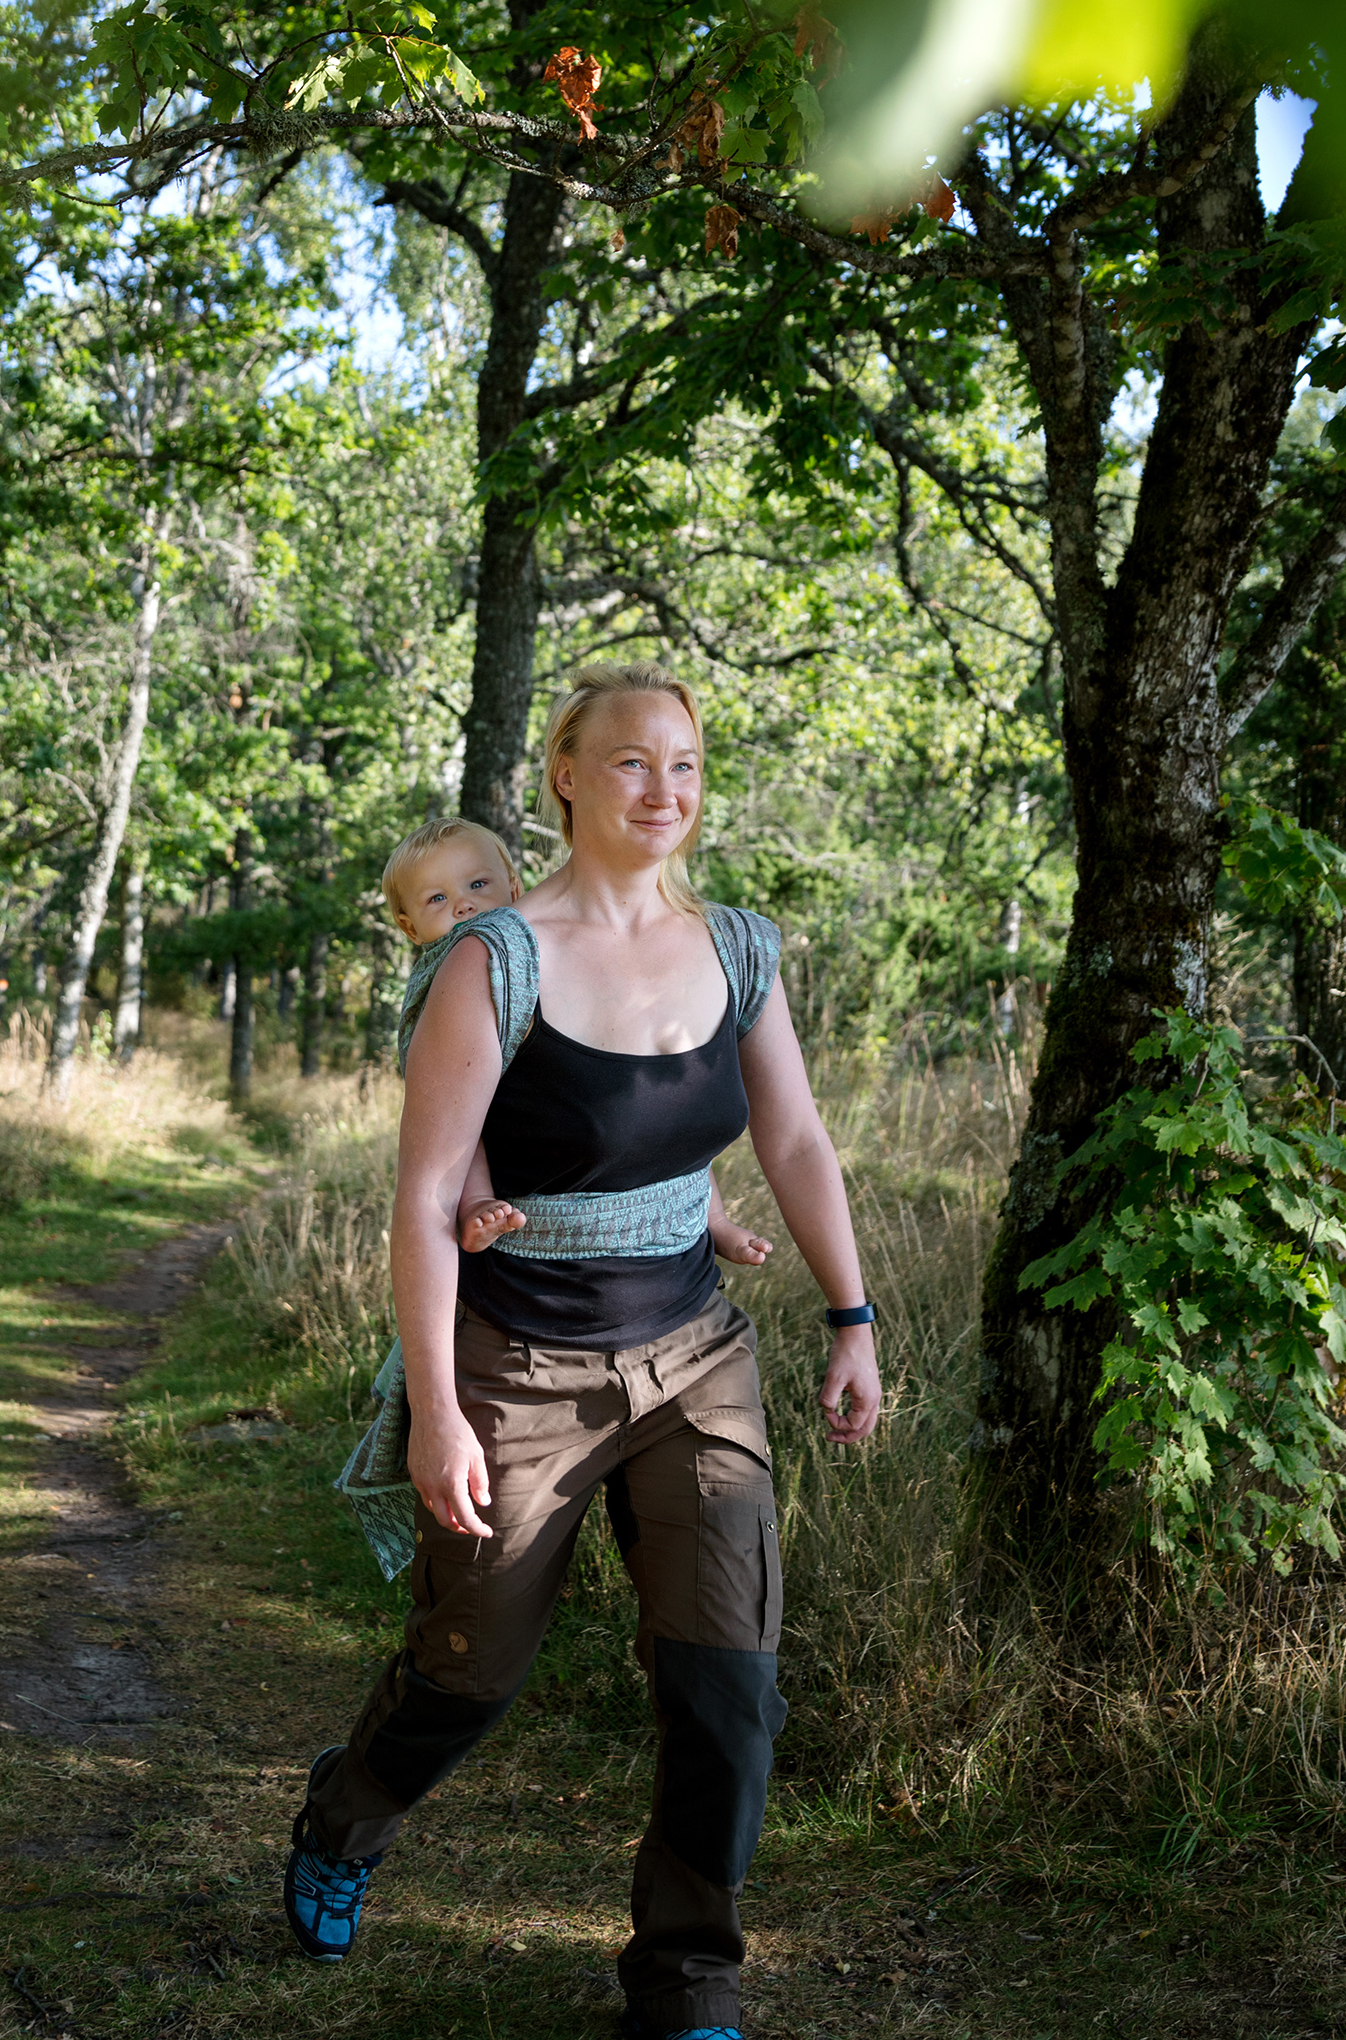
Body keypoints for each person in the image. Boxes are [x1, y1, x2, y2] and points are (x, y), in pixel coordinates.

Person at [287, 665, 885, 2040]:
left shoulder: (741, 948)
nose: (660, 789)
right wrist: (438, 1410)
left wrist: (850, 1317)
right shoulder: (495, 961)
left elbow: (791, 1140)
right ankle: (345, 1813)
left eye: (681, 763)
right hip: (520, 1367)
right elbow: (433, 1200)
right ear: (566, 773)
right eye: (628, 762)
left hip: (695, 1357)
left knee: (727, 1682)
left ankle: (687, 1983)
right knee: (468, 1662)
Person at [379, 813, 771, 1272]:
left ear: (515, 888)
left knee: (665, 1118)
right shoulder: (449, 972)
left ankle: (714, 1219)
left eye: (478, 885)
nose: (464, 905)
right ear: (410, 928)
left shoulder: (528, 950)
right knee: (465, 1138)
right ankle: (475, 1203)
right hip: (476, 1096)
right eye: (438, 898)